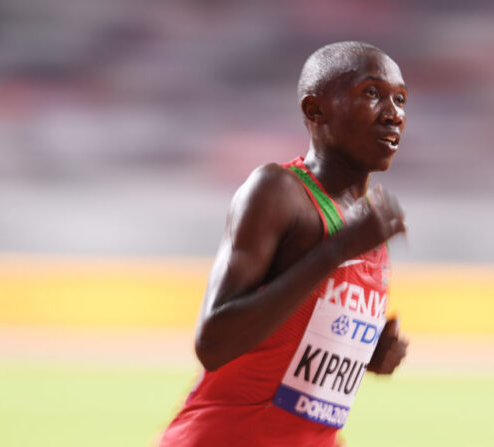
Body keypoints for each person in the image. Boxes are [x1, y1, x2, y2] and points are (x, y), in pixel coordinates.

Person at [158, 41, 409, 447]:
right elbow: (214, 342)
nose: (393, 113)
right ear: (315, 110)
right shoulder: (279, 191)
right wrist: (335, 252)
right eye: (372, 93)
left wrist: (363, 356)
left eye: (400, 99)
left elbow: (288, 348)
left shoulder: (365, 224)